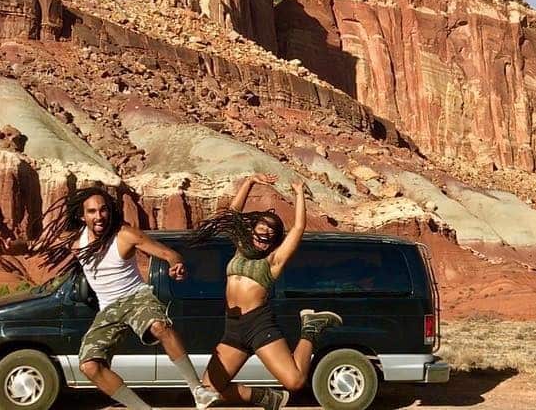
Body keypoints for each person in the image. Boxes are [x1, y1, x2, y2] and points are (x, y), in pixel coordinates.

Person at [33, 186, 220, 410]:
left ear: (109, 211)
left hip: (136, 298)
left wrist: (176, 264)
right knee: (89, 366)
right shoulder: (75, 240)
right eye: (92, 212)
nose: (99, 216)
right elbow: (34, 246)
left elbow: (169, 254)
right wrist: (8, 248)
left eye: (103, 210)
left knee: (159, 326)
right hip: (109, 309)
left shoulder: (125, 235)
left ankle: (197, 389)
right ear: (82, 216)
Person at [190, 174, 343, 410]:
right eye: (261, 230)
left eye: (270, 235)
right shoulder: (240, 249)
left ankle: (311, 328)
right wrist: (249, 182)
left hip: (258, 324)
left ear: (273, 241)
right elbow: (232, 215)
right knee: (207, 394)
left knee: (295, 381)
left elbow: (299, 228)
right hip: (233, 327)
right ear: (251, 231)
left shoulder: (273, 260)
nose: (264, 236)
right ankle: (265, 398)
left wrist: (299, 192)